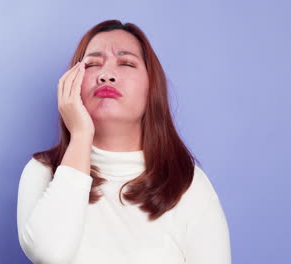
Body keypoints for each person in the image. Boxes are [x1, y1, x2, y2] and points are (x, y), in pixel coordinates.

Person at [16, 19, 231, 264]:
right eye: (93, 64)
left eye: (126, 63)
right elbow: (50, 254)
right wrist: (81, 135)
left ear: (152, 88)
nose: (106, 75)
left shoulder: (188, 185)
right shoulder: (43, 172)